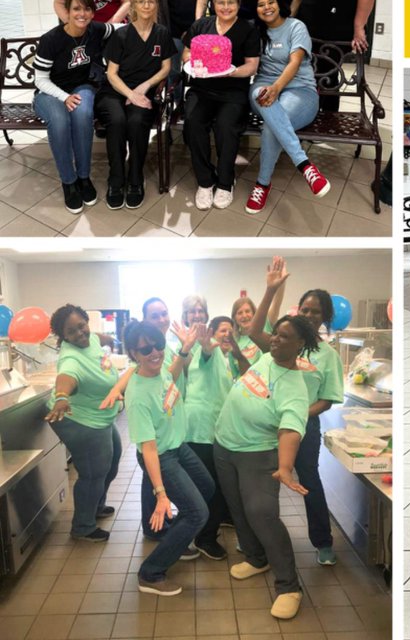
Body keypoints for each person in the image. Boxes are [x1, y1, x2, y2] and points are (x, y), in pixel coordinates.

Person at [214, 259, 313, 621]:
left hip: (257, 455)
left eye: (285, 336)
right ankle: (257, 559)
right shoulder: (269, 354)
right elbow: (255, 327)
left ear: (300, 344)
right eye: (276, 334)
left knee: (262, 513)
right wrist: (270, 289)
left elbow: (291, 429)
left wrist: (285, 467)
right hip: (225, 446)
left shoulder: (294, 386)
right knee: (238, 509)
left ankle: (289, 586)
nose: (276, 339)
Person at [123, 318, 213, 597]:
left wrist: (184, 350)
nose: (154, 353)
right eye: (145, 349)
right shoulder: (137, 397)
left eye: (158, 345)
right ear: (134, 354)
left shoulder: (158, 368)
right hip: (161, 455)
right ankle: (150, 573)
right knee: (197, 513)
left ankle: (177, 538)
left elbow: (170, 378)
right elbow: (148, 449)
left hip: (176, 446)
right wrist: (161, 494)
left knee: (207, 487)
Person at [245, 0, 329, 214]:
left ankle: (262, 184)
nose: (266, 7)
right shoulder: (255, 32)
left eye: (270, 2)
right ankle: (305, 165)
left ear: (278, 4)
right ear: (256, 10)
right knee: (261, 97)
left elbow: (295, 62)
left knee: (271, 125)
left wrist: (277, 88)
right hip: (263, 86)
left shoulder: (295, 26)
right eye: (260, 5)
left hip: (300, 90)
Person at [44, 305, 122, 541]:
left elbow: (95, 338)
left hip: (99, 417)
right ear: (64, 336)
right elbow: (66, 377)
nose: (80, 333)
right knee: (93, 472)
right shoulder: (71, 357)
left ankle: (95, 506)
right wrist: (61, 397)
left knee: (112, 460)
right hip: (77, 420)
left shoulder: (91, 340)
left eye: (82, 326)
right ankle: (83, 526)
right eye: (71, 331)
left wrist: (108, 339)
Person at [182, 0, 261, 209]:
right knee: (194, 123)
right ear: (213, 4)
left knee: (226, 127)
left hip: (232, 91)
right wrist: (191, 63)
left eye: (230, 3)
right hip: (202, 89)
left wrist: (230, 72)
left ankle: (226, 182)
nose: (225, 7)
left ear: (238, 4)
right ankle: (205, 181)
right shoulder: (201, 25)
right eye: (220, 2)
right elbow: (186, 52)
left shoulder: (248, 29)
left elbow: (252, 66)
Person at [34, 0, 113, 213]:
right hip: (49, 93)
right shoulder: (51, 40)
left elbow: (119, 28)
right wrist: (64, 97)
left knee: (83, 114)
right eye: (76, 8)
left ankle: (84, 177)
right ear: (66, 12)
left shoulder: (95, 30)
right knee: (60, 121)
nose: (82, 14)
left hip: (81, 86)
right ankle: (69, 182)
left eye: (87, 9)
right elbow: (40, 80)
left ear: (93, 13)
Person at [96, 0, 171, 209]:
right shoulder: (121, 34)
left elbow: (166, 68)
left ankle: (136, 178)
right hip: (115, 91)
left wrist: (144, 87)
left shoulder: (162, 33)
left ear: (156, 5)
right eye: (141, 1)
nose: (146, 5)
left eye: (150, 1)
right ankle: (116, 179)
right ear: (133, 6)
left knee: (137, 121)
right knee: (117, 121)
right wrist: (130, 93)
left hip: (144, 92)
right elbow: (111, 73)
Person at [181, 314, 249, 557]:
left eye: (231, 331)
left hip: (211, 431)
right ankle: (204, 538)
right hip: (202, 432)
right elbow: (206, 354)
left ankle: (203, 532)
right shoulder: (209, 353)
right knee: (212, 488)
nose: (227, 335)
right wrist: (207, 345)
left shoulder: (226, 358)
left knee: (212, 487)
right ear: (211, 334)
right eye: (222, 331)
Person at [291, 287, 345, 566]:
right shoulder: (285, 343)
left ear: (325, 316)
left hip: (305, 426)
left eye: (316, 311)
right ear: (297, 310)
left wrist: (299, 416)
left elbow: (327, 399)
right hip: (271, 426)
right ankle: (259, 539)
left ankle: (323, 543)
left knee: (309, 482)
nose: (309, 315)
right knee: (264, 483)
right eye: (305, 309)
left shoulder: (327, 355)